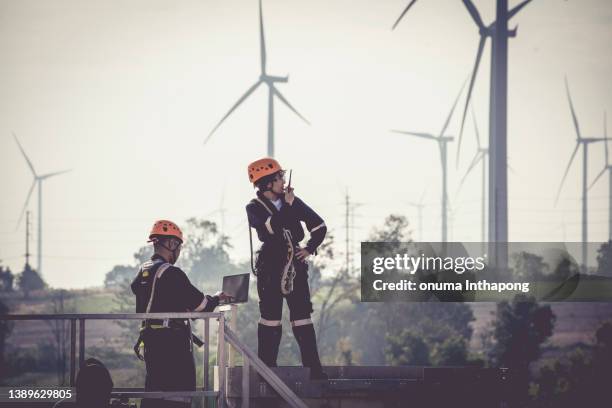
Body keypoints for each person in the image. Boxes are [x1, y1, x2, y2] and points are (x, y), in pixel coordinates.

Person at [246, 158, 328, 380]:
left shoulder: (291, 200)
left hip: (295, 266)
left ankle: (313, 369)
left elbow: (319, 226)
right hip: (270, 267)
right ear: (266, 183)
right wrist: (289, 206)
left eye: (282, 176)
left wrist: (309, 248)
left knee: (302, 317)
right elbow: (270, 229)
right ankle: (266, 371)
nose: (283, 181)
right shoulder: (254, 208)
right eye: (278, 178)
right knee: (270, 318)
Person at [131, 220, 228, 408]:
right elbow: (202, 305)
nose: (179, 251)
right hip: (172, 345)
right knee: (178, 395)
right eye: (179, 245)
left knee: (155, 392)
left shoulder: (144, 271)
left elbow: (155, 301)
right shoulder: (171, 273)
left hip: (151, 341)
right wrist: (217, 298)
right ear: (171, 244)